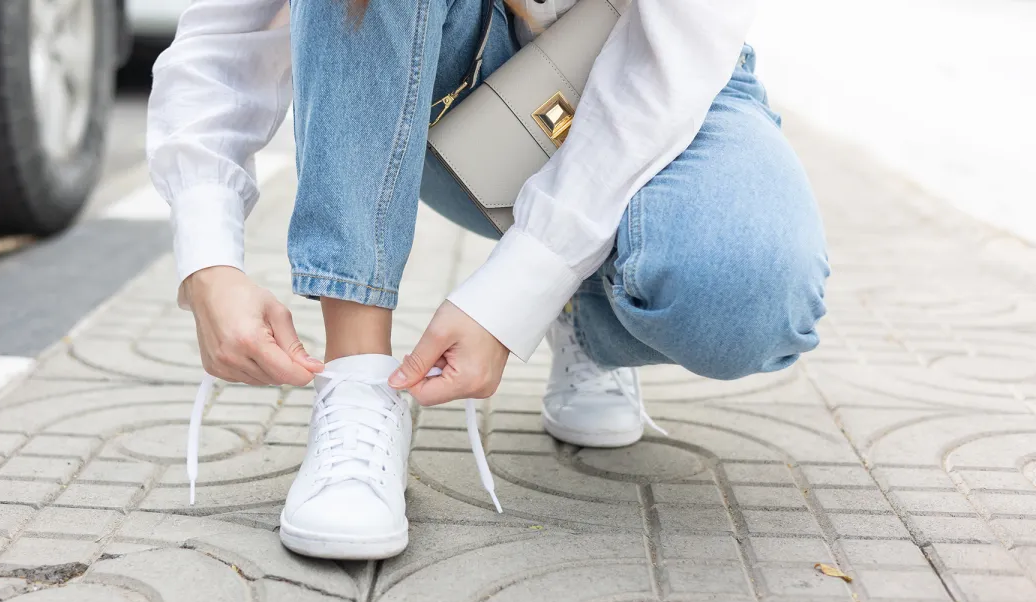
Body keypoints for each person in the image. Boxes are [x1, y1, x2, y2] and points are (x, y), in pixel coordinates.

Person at [147, 0, 829, 560]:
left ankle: (582, 309)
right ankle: (358, 379)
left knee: (748, 288)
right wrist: (208, 257)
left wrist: (521, 287)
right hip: (454, 73)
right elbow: (232, 24)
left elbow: (672, 60)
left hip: (663, 64)